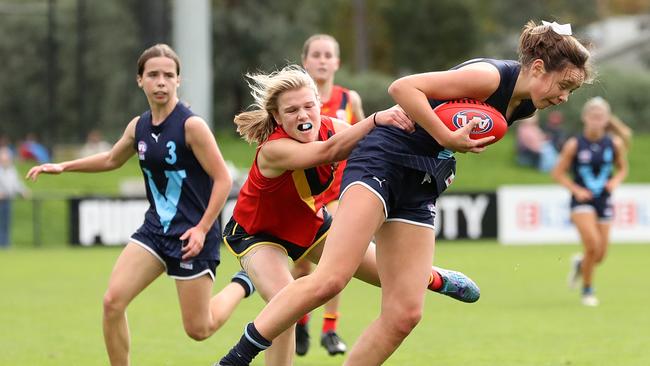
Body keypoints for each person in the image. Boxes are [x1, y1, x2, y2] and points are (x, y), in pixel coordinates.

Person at [216, 20, 593, 366]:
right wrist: (445, 137)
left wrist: (444, 154)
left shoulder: (525, 103)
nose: (564, 97)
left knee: (405, 314)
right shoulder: (489, 77)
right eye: (564, 86)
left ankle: (430, 278)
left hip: (421, 180)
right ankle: (234, 360)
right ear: (539, 68)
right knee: (331, 279)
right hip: (383, 160)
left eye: (572, 91)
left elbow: (447, 127)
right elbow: (403, 88)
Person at [218, 65, 480, 366]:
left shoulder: (334, 127)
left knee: (393, 277)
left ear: (318, 103)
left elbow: (382, 146)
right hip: (256, 234)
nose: (303, 115)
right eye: (291, 111)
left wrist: (440, 146)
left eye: (308, 106)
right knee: (285, 305)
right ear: (277, 117)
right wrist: (376, 118)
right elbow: (327, 152)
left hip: (309, 226)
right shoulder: (273, 149)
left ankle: (434, 278)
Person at [26, 44, 255, 366]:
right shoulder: (139, 126)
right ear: (140, 80)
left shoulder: (192, 126)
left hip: (192, 235)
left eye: (168, 75)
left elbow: (222, 179)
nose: (161, 81)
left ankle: (244, 283)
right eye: (153, 75)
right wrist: (64, 166)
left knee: (199, 329)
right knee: (112, 302)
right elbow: (110, 159)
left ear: (178, 80)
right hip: (154, 231)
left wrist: (203, 229)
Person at [291, 33, 366, 357]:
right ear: (305, 61)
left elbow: (366, 139)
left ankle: (330, 329)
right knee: (303, 267)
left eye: (328, 55)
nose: (322, 60)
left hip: (338, 192)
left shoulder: (350, 100)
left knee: (339, 257)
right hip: (303, 196)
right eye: (316, 55)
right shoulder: (297, 102)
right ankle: (301, 322)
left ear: (337, 62)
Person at [552, 97, 629, 307]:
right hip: (581, 201)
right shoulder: (574, 144)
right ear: (585, 118)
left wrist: (615, 181)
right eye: (593, 117)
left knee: (600, 255)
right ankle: (587, 291)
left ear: (606, 119)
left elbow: (623, 169)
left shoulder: (614, 143)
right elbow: (558, 173)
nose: (596, 121)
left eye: (600, 117)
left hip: (603, 199)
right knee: (592, 244)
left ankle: (580, 264)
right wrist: (576, 189)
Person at [0, 138, 28, 248]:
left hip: (7, 200)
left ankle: (5, 244)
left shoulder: (11, 170)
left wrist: (23, 191)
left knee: (6, 223)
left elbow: (16, 183)